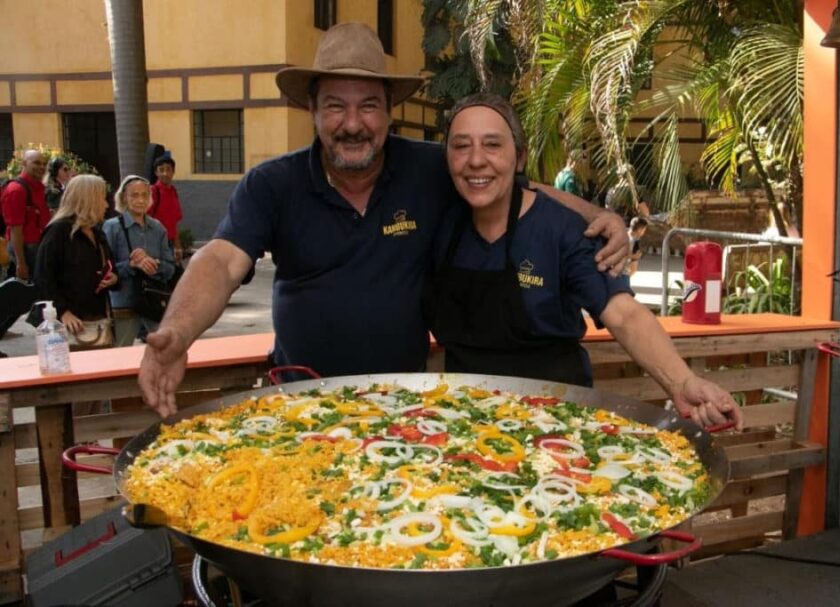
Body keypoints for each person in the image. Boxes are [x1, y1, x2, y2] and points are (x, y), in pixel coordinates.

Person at [138, 22, 630, 418]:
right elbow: (221, 262)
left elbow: (510, 183)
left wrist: (599, 215)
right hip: (301, 408)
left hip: (408, 407)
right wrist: (178, 334)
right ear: (312, 109)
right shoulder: (272, 184)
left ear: (389, 111)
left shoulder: (429, 168)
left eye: (368, 105)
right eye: (336, 105)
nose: (353, 123)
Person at [425, 93, 741, 429]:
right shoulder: (438, 223)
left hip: (556, 418)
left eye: (492, 145)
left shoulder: (563, 230)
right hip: (464, 418)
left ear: (519, 158)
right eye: (461, 146)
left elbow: (624, 314)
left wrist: (681, 383)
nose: (476, 160)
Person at [33, 174, 118, 346]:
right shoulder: (58, 232)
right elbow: (43, 278)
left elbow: (110, 266)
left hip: (98, 319)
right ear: (89, 200)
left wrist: (114, 278)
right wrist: (62, 312)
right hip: (69, 325)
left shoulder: (97, 233)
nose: (106, 205)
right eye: (102, 199)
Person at [103, 175, 175, 347]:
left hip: (153, 300)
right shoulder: (112, 227)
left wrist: (153, 264)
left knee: (166, 348)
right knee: (121, 352)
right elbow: (106, 269)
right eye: (134, 195)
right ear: (124, 198)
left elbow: (170, 268)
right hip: (124, 302)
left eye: (144, 195)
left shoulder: (157, 228)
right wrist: (132, 265)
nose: (140, 200)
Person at [1, 149, 51, 281]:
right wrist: (21, 263)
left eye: (43, 164)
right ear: (24, 163)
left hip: (38, 246)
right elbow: (15, 229)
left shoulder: (38, 187)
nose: (41, 167)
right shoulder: (16, 190)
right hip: (27, 249)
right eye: (36, 163)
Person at [148, 152, 184, 263]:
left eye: (168, 169)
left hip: (169, 244)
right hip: (155, 244)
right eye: (161, 169)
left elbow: (173, 223)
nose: (165, 173)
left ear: (173, 172)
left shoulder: (173, 192)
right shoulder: (152, 191)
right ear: (156, 172)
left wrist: (177, 246)